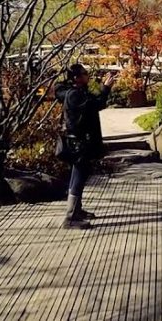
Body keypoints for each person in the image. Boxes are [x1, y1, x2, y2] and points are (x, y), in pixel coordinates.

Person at [55, 63, 116, 230]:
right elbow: (97, 104)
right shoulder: (76, 95)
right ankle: (71, 217)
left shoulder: (69, 91)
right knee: (79, 176)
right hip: (80, 143)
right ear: (76, 78)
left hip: (76, 141)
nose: (87, 76)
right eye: (84, 73)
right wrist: (106, 88)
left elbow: (59, 87)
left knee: (78, 174)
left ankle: (77, 210)